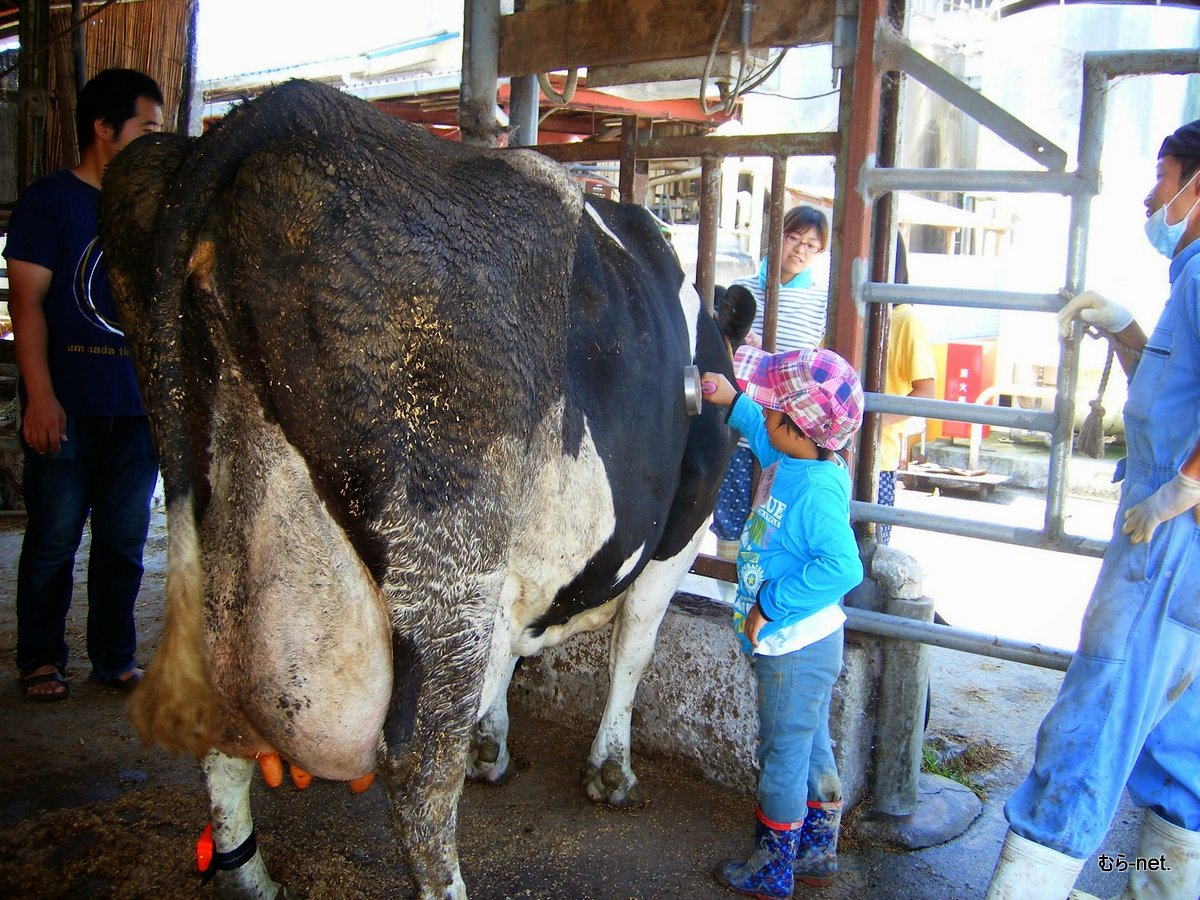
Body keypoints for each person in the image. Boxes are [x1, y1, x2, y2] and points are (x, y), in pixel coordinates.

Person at [986, 119, 1200, 898]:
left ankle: (1027, 888)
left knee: (1095, 721)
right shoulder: (1190, 278)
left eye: (1164, 174)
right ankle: (1160, 885)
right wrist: (1127, 329)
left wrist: (1190, 484)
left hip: (1170, 538)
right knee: (1181, 744)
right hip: (1184, 543)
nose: (1153, 194)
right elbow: (1175, 394)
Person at [5, 68, 164, 701]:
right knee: (52, 541)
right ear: (104, 128)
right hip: (66, 407)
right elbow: (27, 305)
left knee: (124, 545)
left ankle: (114, 658)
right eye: (147, 128)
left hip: (136, 409)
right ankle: (41, 659)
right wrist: (40, 398)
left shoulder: (152, 212)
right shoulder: (52, 201)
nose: (157, 141)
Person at [700, 345, 864, 898]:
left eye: (773, 408)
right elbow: (767, 433)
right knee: (811, 742)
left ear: (800, 428)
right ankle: (817, 846)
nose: (764, 413)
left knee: (782, 754)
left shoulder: (815, 492)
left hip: (793, 645)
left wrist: (771, 603)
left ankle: (772, 866)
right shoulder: (802, 459)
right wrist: (735, 400)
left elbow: (843, 566)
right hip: (803, 644)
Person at [711, 205, 832, 559]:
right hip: (738, 422)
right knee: (731, 517)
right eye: (793, 237)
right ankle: (729, 591)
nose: (799, 249)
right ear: (775, 237)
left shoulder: (821, 303)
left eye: (811, 245)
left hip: (789, 431)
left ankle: (761, 594)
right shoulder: (742, 290)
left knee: (775, 521)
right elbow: (720, 350)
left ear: (820, 251)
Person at [876, 238, 936, 544]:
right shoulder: (842, 309)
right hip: (824, 453)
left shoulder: (905, 318)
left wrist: (869, 422)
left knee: (868, 548)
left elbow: (926, 392)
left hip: (877, 457)